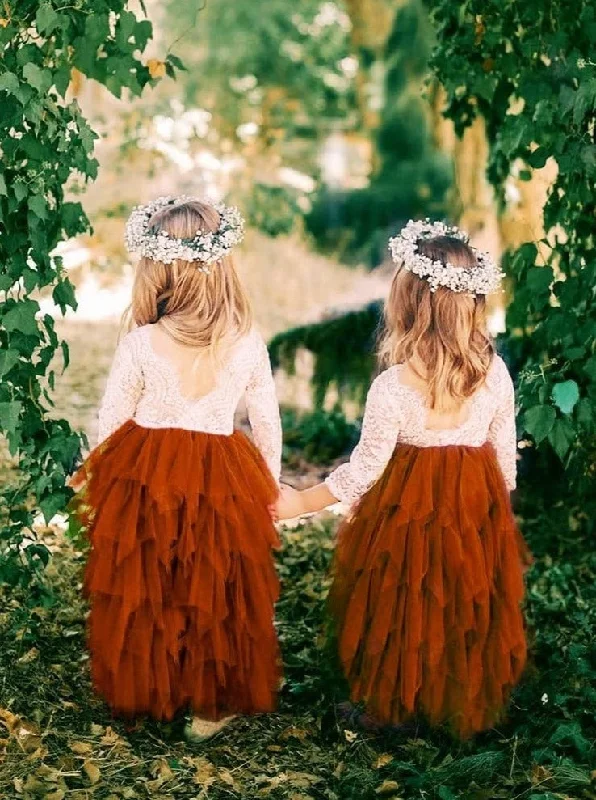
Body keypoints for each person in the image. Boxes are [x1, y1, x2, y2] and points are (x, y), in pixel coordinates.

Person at [276, 220, 531, 738]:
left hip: (406, 510)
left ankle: (399, 706)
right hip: (473, 502)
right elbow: (504, 461)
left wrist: (300, 502)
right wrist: (490, 519)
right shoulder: (495, 373)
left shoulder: (393, 387)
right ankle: (453, 702)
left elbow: (366, 469)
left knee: (403, 599)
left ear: (408, 304)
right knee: (461, 599)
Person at [73, 196, 282, 741]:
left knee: (152, 577)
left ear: (157, 268)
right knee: (212, 583)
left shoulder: (142, 342)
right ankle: (208, 704)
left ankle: (152, 686)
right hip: (222, 472)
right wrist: (268, 489)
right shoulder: (247, 343)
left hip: (147, 472)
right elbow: (267, 425)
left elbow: (112, 421)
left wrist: (107, 481)